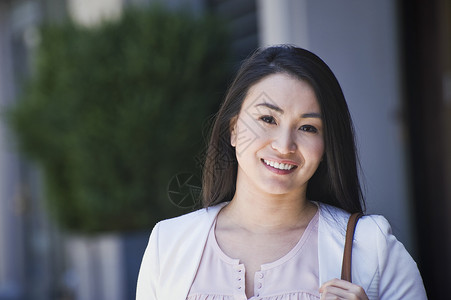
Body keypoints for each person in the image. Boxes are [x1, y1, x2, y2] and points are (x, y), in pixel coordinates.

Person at [136, 45, 427, 300]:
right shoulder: (169, 243)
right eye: (267, 118)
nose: (284, 145)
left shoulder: (372, 247)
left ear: (327, 145)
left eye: (308, 127)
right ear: (234, 129)